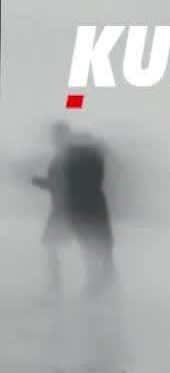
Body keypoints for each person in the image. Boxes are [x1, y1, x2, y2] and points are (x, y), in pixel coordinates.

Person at [63, 136, 115, 295]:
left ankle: (99, 288)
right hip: (93, 212)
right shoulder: (94, 162)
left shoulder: (82, 164)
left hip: (86, 213)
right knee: (100, 252)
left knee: (94, 252)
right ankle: (103, 288)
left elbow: (75, 187)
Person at [32, 123, 74, 296]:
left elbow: (60, 184)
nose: (52, 138)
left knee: (51, 246)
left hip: (63, 209)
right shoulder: (64, 156)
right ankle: (55, 288)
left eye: (55, 135)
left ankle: (55, 289)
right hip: (63, 208)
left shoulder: (65, 157)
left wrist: (38, 182)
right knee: (52, 246)